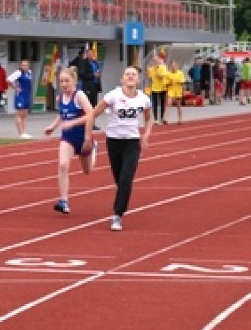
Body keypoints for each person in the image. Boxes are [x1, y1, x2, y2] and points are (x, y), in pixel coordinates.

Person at [91, 66, 153, 231]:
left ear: (138, 80)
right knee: (119, 180)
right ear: (122, 79)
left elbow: (148, 119)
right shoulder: (113, 96)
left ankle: (117, 215)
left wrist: (145, 135)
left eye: (134, 74)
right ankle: (122, 202)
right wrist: (87, 134)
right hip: (114, 141)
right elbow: (93, 113)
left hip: (132, 142)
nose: (131, 76)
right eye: (127, 74)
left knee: (126, 178)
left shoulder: (144, 99)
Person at [44, 66, 96, 214]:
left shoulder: (79, 96)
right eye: (61, 81)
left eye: (67, 81)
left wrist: (74, 124)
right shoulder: (59, 98)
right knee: (63, 165)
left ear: (74, 81)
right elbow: (62, 114)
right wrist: (53, 127)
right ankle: (64, 200)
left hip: (83, 136)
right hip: (68, 137)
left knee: (88, 171)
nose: (64, 84)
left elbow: (91, 114)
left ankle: (94, 148)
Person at [7, 59, 34, 139]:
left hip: (27, 95)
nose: (24, 67)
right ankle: (21, 133)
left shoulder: (29, 72)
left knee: (25, 114)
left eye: (26, 65)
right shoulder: (18, 73)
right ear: (20, 66)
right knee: (19, 114)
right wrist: (15, 88)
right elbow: (8, 80)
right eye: (23, 65)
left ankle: (24, 132)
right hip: (20, 95)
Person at [147, 56, 168, 123]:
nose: (155, 62)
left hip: (162, 88)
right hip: (154, 88)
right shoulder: (151, 69)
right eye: (154, 61)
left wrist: (157, 70)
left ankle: (161, 118)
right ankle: (155, 119)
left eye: (156, 60)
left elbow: (162, 76)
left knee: (162, 103)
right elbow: (150, 78)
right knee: (154, 104)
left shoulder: (163, 68)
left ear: (159, 61)